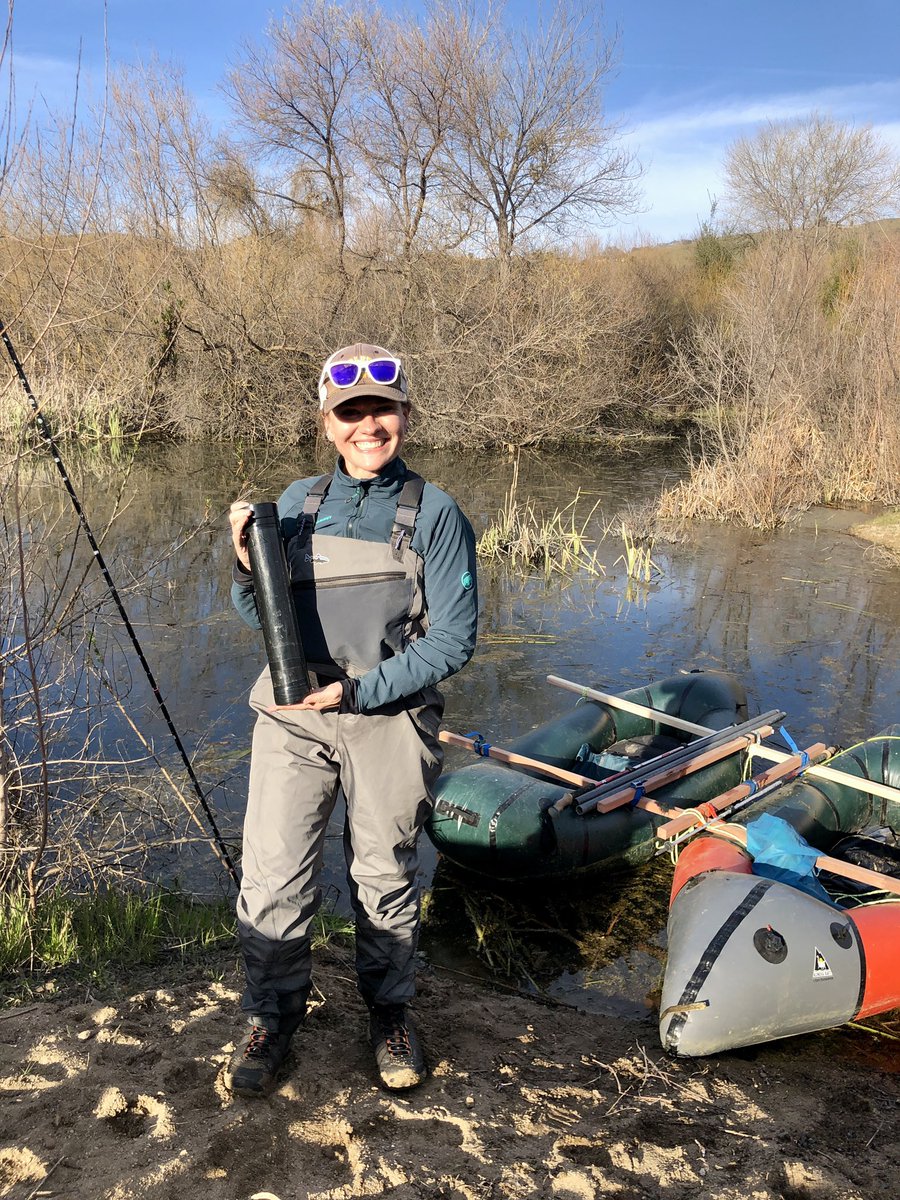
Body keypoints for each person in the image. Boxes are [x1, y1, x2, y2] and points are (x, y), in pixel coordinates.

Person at [224, 343, 478, 1098]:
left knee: (383, 874)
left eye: (383, 409)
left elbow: (454, 640)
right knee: (272, 873)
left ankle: (390, 1015)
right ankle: (271, 1018)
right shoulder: (297, 501)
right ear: (328, 425)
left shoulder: (435, 513)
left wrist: (361, 693)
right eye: (351, 412)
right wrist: (243, 561)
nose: (369, 425)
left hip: (388, 718)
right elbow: (258, 614)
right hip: (292, 714)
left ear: (405, 416)